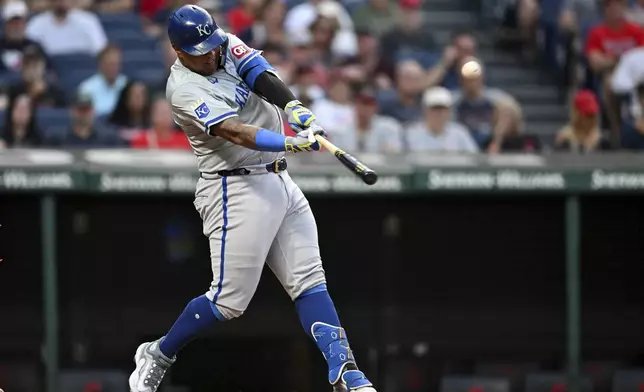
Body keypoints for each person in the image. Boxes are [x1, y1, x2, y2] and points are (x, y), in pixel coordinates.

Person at [128, 5, 377, 392]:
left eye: (212, 45)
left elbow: (259, 73)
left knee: (311, 282)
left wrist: (293, 106)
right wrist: (292, 142)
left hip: (278, 180)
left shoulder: (221, 42)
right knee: (228, 302)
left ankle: (347, 373)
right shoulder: (182, 89)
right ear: (179, 52)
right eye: (200, 51)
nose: (211, 54)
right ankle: (158, 353)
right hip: (234, 187)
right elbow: (236, 132)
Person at [405, 86, 478, 153]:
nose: (439, 113)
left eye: (443, 109)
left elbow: (474, 158)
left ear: (449, 111)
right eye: (434, 109)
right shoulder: (411, 134)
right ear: (425, 110)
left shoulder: (460, 133)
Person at [78, 44, 128, 117]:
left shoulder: (127, 85)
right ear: (101, 64)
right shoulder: (87, 89)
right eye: (110, 64)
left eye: (117, 64)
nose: (114, 68)